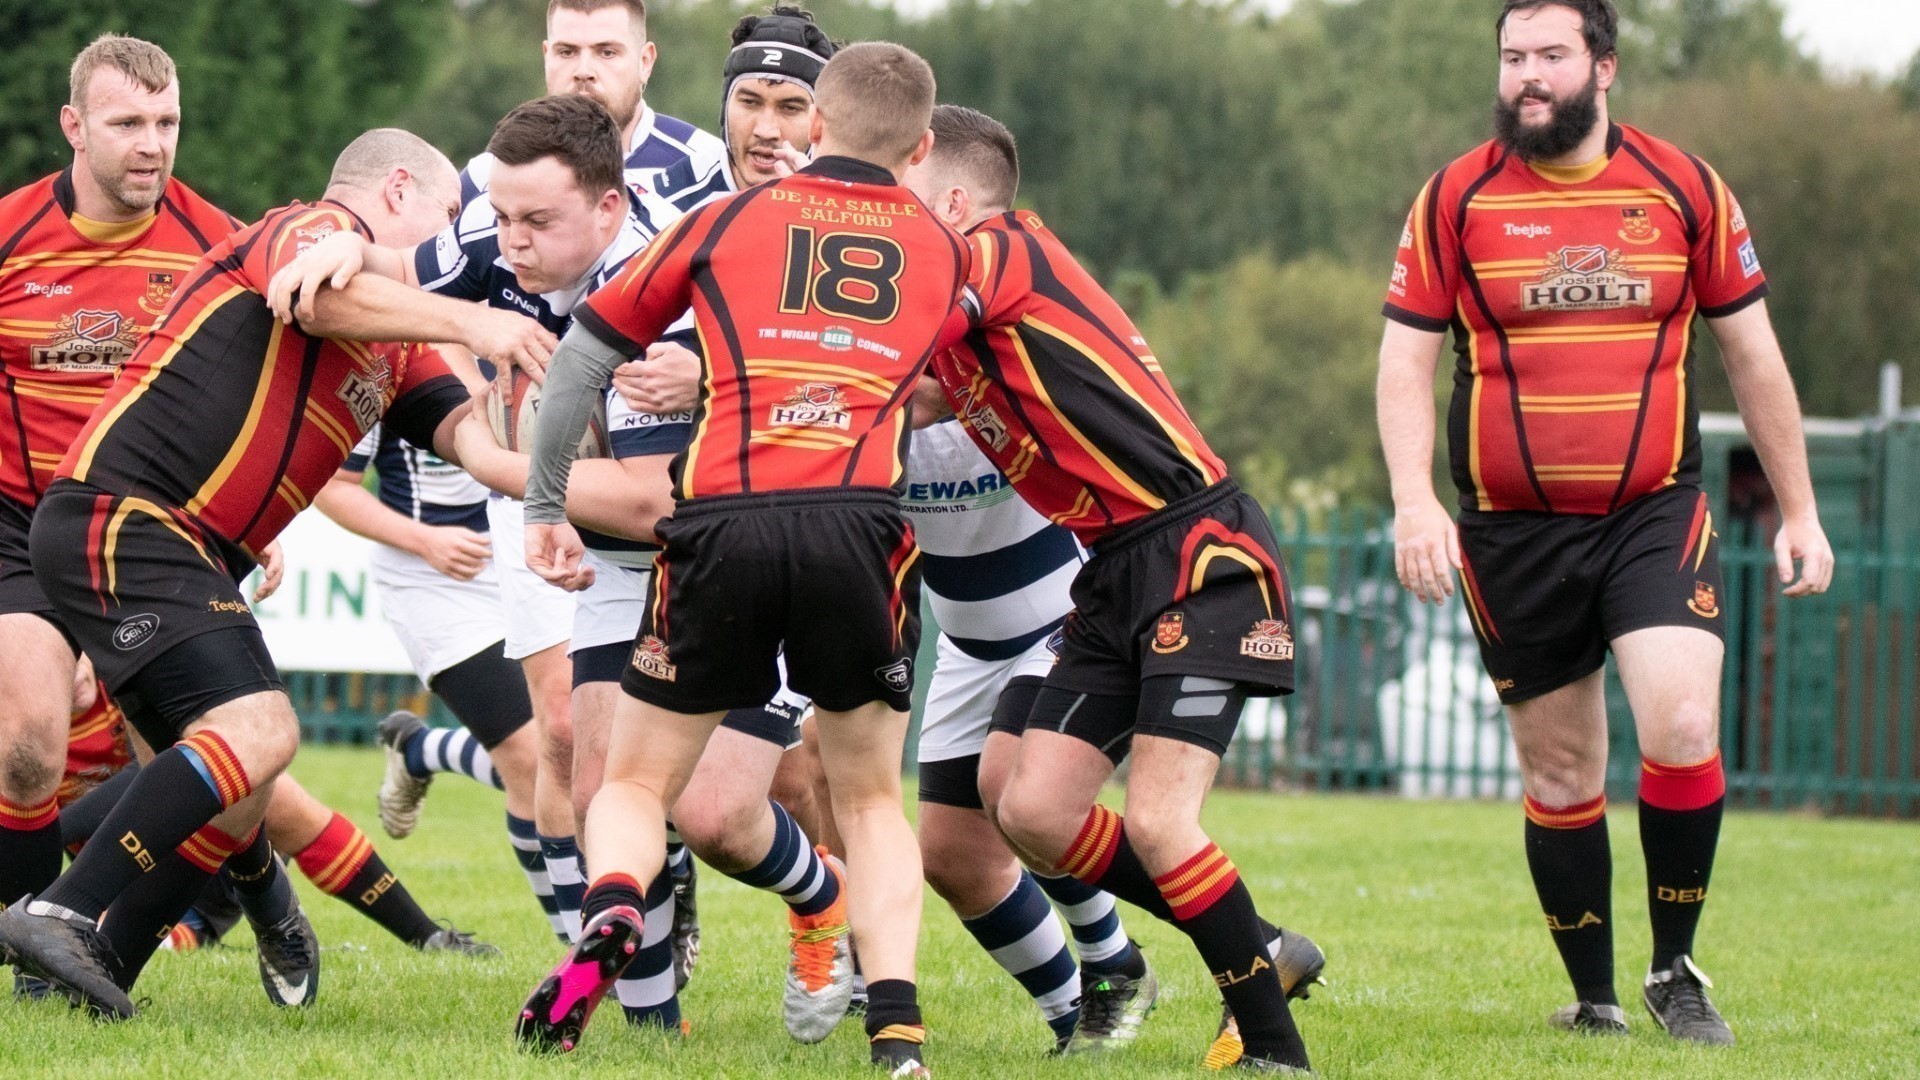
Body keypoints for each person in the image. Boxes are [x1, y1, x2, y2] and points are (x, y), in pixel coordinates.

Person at [0, 126, 552, 1020]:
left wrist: (577, 450)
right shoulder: (307, 228)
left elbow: (483, 453)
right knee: (259, 729)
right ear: (397, 191)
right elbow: (314, 299)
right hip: (128, 514)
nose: (453, 243)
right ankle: (58, 910)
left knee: (244, 789)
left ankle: (98, 971)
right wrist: (475, 320)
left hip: (186, 549)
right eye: (450, 213)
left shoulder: (402, 343)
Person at [1376, 0, 1833, 1046]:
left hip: (1652, 513)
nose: (1528, 76)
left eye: (1551, 55)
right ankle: (1596, 1002)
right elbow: (1404, 360)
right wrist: (1413, 499)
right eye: (1512, 58)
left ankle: (1676, 969)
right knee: (1561, 773)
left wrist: (1801, 508)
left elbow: (1752, 355)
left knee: (1683, 725)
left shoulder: (1685, 188)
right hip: (1510, 532)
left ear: (1605, 66)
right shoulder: (1455, 198)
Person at [514, 43, 967, 1076]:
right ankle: (898, 1032)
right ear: (922, 147)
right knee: (869, 801)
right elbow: (970, 380)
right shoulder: (947, 249)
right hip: (859, 525)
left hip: (724, 520)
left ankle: (615, 911)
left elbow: (581, 358)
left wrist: (544, 502)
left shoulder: (722, 219)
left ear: (817, 126)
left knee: (633, 782)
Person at [904, 105, 1321, 1074]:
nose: (887, 224)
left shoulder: (1004, 250)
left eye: (902, 194)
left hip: (1200, 556)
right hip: (1114, 569)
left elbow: (895, 338)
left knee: (1162, 822)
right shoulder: (971, 328)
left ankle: (1276, 1051)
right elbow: (898, 387)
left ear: (955, 204)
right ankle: (1262, 945)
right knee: (1029, 808)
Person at [0, 33, 325, 1008]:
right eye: (127, 123)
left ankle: (260, 889)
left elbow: (264, 398)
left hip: (153, 533)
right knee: (26, 742)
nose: (151, 143)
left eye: (167, 121)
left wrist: (257, 523)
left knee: (210, 771)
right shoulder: (11, 238)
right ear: (74, 126)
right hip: (21, 526)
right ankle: (36, 962)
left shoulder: (217, 244)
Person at [903, 375, 1160, 1054]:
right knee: (951, 857)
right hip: (966, 642)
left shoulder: (994, 360)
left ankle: (1112, 957)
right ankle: (1076, 1020)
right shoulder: (847, 381)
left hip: (1064, 616)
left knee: (1010, 785)